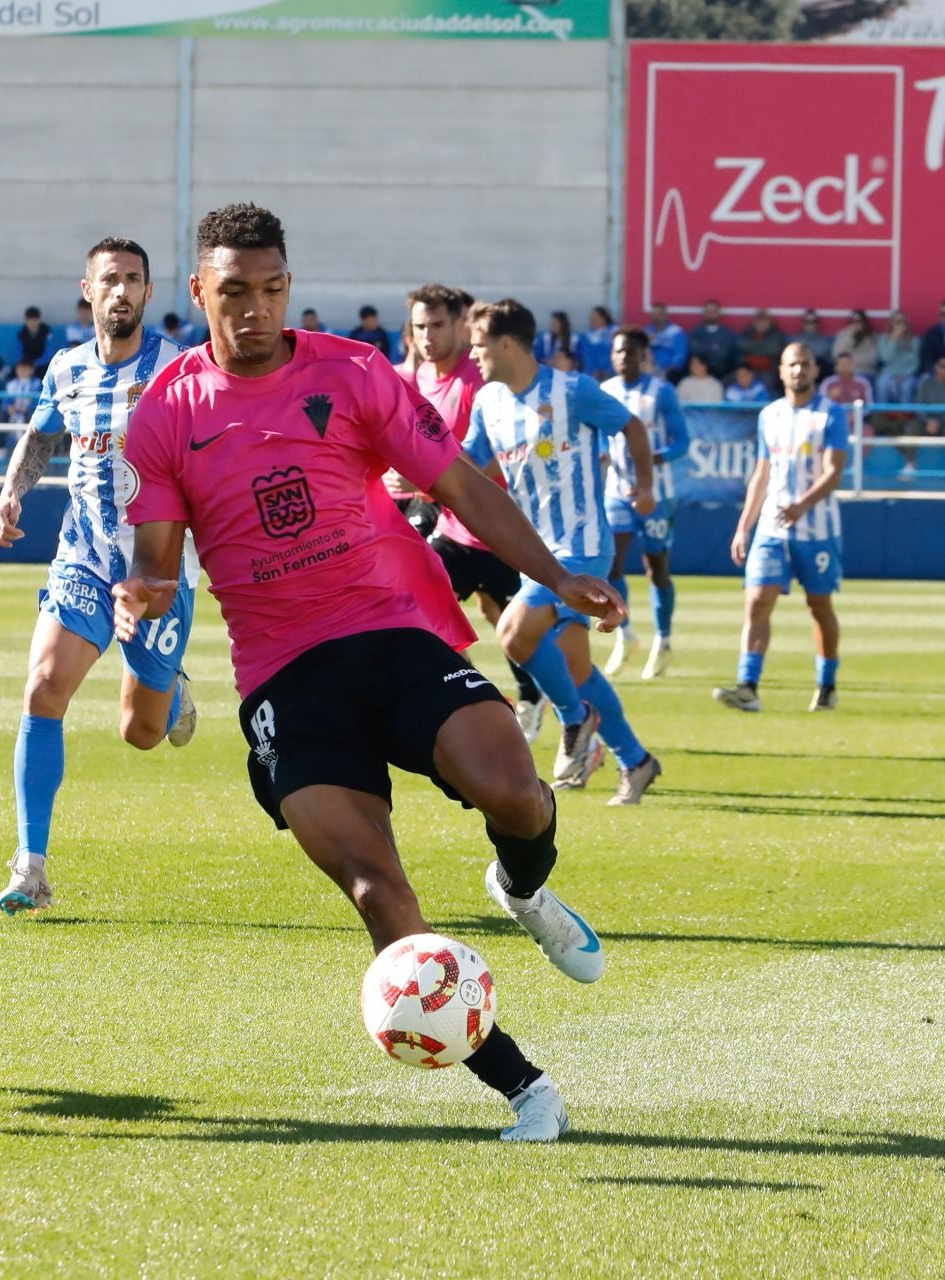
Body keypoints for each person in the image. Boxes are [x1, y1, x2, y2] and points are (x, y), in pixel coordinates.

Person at [114, 203, 631, 1142]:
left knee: (516, 791)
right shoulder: (165, 415)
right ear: (200, 294)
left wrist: (554, 575)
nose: (257, 309)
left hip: (391, 632)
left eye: (273, 289)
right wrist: (146, 590)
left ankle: (520, 889)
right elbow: (155, 552)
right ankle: (527, 1090)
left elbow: (461, 487)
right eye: (235, 292)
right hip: (284, 678)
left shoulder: (352, 373)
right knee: (375, 886)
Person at [0, 237, 196, 917]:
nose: (122, 291)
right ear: (88, 289)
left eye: (134, 280)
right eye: (110, 279)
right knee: (43, 687)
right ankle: (32, 865)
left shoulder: (177, 368)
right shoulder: (67, 368)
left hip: (157, 568)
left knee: (141, 731)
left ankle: (173, 684)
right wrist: (12, 491)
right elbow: (43, 434)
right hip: (83, 554)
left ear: (148, 293)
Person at [469, 299, 663, 803]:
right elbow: (469, 464)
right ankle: (636, 762)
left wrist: (644, 484)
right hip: (536, 555)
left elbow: (632, 427)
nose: (473, 355)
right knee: (575, 669)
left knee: (512, 633)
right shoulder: (488, 401)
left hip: (582, 548)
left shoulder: (571, 390)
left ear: (507, 343)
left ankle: (575, 721)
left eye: (479, 344)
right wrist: (415, 474)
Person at [401, 283, 547, 739]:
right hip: (454, 529)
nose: (428, 336)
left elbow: (480, 463)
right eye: (420, 326)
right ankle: (483, 700)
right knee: (416, 611)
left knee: (517, 634)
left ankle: (551, 702)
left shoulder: (478, 381)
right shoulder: (421, 377)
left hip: (496, 528)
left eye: (438, 325)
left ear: (461, 326)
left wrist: (423, 477)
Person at [714, 343, 845, 714]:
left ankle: (827, 683)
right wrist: (744, 527)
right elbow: (762, 473)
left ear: (816, 370)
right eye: (792, 365)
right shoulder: (769, 415)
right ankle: (748, 686)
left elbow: (834, 472)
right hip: (772, 528)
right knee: (757, 602)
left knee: (819, 606)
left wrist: (804, 503)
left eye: (805, 364)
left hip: (817, 529)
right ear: (782, 371)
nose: (799, 371)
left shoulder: (830, 415)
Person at [600, 327, 689, 681]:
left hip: (658, 496)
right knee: (611, 566)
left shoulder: (661, 392)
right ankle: (626, 634)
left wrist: (657, 458)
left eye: (630, 352)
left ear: (643, 356)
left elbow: (683, 439)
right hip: (617, 493)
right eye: (618, 352)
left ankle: (663, 639)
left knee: (657, 568)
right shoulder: (604, 392)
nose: (623, 358)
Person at [875, 310, 921, 402]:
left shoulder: (914, 341)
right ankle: (883, 412)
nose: (899, 325)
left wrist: (905, 374)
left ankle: (906, 414)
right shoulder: (883, 339)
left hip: (908, 374)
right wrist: (894, 340)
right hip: (889, 372)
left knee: (906, 386)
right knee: (882, 383)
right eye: (896, 322)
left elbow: (916, 363)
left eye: (901, 322)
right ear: (891, 324)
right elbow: (885, 358)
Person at [688, 298, 739, 380]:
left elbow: (724, 354)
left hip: (722, 374)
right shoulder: (695, 332)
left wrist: (703, 348)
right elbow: (694, 350)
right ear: (704, 313)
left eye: (714, 311)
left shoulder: (728, 334)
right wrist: (713, 347)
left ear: (719, 313)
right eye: (708, 311)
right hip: (698, 373)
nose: (710, 314)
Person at [738, 308, 787, 391]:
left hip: (769, 370)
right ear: (754, 322)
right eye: (758, 321)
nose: (761, 323)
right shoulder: (747, 332)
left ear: (769, 322)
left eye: (764, 321)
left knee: (768, 383)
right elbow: (742, 345)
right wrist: (763, 347)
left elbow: (774, 349)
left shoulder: (776, 334)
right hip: (748, 368)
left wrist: (752, 349)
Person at [830, 309, 879, 381]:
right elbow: (836, 355)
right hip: (844, 372)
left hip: (864, 372)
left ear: (864, 322)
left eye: (859, 321)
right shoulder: (843, 335)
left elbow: (873, 360)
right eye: (853, 321)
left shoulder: (872, 337)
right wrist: (850, 336)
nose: (856, 324)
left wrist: (849, 363)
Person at [0, 358, 41, 442]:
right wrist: (9, 407)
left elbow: (38, 401)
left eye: (25, 369)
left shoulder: (37, 383)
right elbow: (6, 400)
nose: (22, 371)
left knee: (34, 419)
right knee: (0, 418)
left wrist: (28, 408)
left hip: (29, 411)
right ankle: (1, 447)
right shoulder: (11, 384)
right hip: (14, 411)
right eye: (20, 368)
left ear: (32, 370)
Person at [646, 302, 688, 379]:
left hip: (670, 373)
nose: (657, 316)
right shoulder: (647, 331)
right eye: (654, 313)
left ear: (666, 315)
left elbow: (680, 356)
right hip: (649, 371)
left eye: (660, 313)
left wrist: (667, 370)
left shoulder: (676, 332)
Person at [574, 306, 615, 378]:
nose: (592, 320)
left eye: (595, 318)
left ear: (603, 318)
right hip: (590, 375)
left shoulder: (614, 334)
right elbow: (578, 357)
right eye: (591, 318)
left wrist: (609, 371)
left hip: (610, 376)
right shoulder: (584, 337)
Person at [17, 305, 53, 374]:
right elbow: (20, 353)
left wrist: (36, 364)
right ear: (25, 321)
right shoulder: (21, 334)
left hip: (42, 365)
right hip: (26, 365)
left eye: (34, 320)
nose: (32, 323)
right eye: (29, 321)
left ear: (39, 320)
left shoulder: (47, 332)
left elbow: (49, 352)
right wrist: (26, 365)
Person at [794, 309, 832, 373]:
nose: (810, 324)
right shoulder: (795, 342)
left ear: (818, 324)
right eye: (807, 321)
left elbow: (829, 362)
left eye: (813, 322)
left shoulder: (825, 342)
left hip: (819, 374)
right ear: (802, 324)